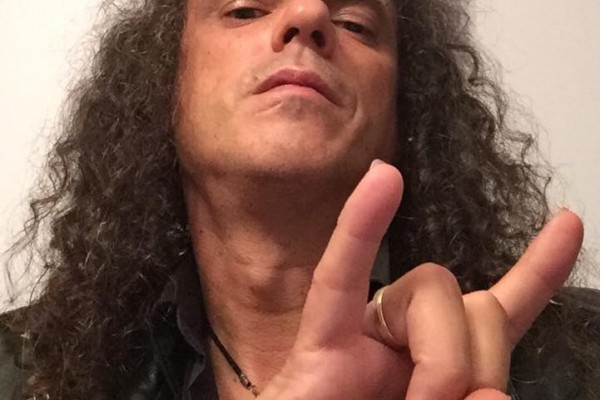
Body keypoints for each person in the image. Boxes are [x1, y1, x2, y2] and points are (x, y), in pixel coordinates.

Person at [1, 0, 599, 399]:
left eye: (357, 22)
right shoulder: (18, 372)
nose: (309, 12)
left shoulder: (581, 358)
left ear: (406, 116)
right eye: (244, 9)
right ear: (162, 87)